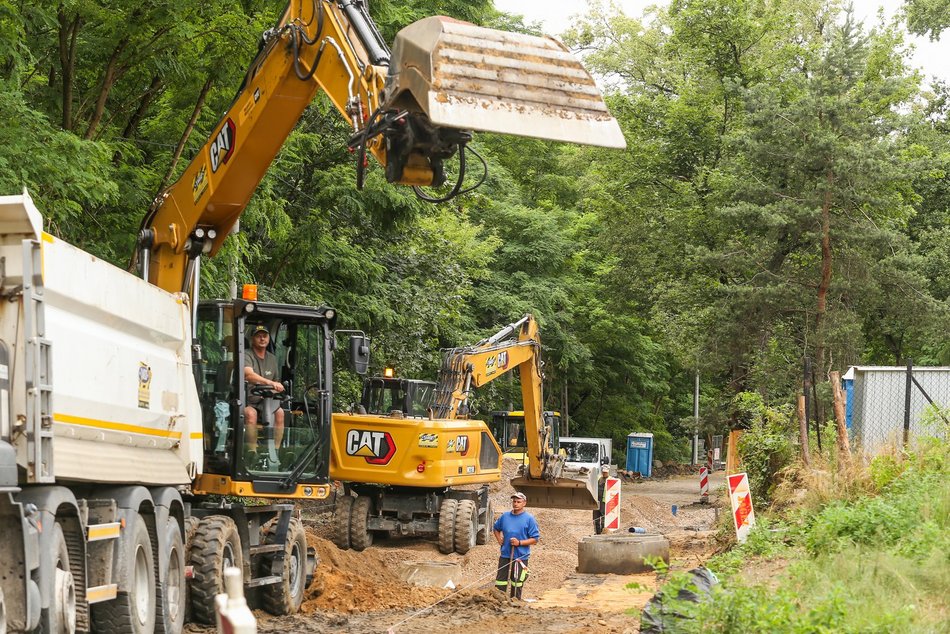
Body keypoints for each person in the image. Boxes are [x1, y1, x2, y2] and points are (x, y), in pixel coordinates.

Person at [244, 324, 285, 459]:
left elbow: (276, 381)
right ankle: (252, 453)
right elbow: (248, 375)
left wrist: (276, 388)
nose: (262, 339)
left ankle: (275, 453)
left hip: (268, 401)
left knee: (280, 413)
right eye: (258, 336)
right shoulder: (246, 354)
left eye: (265, 336)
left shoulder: (272, 359)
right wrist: (269, 383)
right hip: (249, 400)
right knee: (250, 414)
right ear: (253, 338)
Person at [492, 492, 540, 600]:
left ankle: (515, 602)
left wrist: (520, 543)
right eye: (514, 501)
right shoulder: (505, 516)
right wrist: (500, 540)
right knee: (501, 581)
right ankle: (499, 602)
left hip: (520, 557)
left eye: (518, 502)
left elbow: (535, 539)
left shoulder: (529, 519)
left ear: (524, 503)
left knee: (517, 582)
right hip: (505, 555)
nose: (515, 504)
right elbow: (496, 528)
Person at [593, 464, 610, 534]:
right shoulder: (598, 478)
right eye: (603, 472)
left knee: (604, 518)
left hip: (604, 501)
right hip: (597, 500)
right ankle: (597, 532)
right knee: (595, 518)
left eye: (606, 472)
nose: (604, 473)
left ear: (608, 472)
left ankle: (603, 532)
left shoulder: (611, 480)